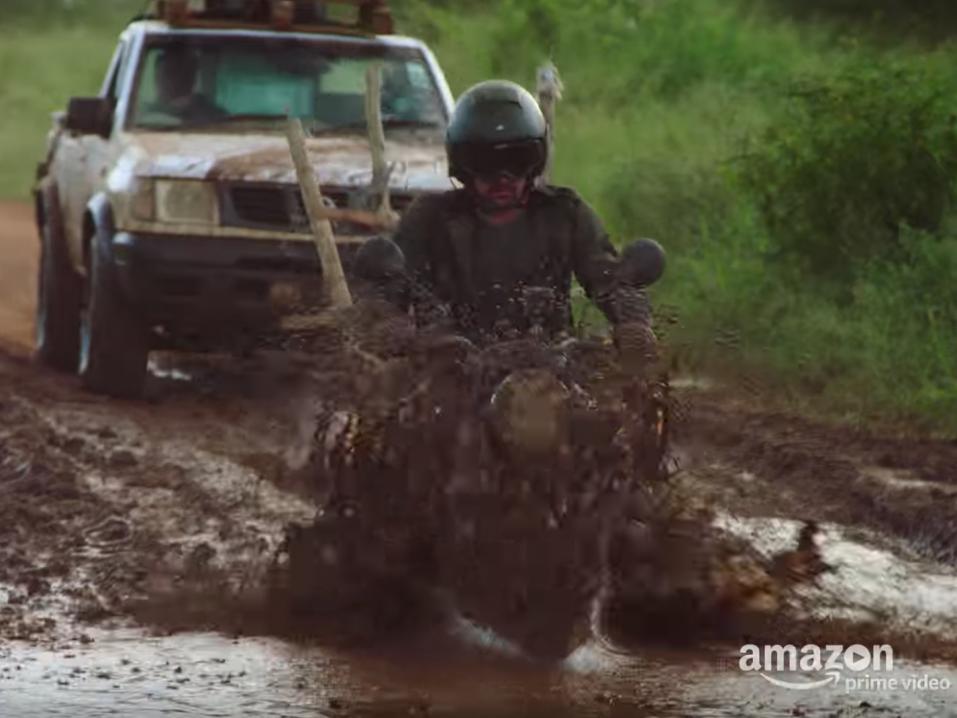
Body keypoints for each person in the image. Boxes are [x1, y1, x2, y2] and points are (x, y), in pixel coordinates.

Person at [388, 80, 661, 347]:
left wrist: (631, 322)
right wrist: (384, 324)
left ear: (535, 162)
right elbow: (391, 287)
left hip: (551, 369)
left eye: (517, 162)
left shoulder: (564, 214)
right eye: (485, 164)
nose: (502, 178)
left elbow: (607, 278)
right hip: (446, 369)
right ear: (462, 166)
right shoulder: (429, 218)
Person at [145, 47, 226, 124]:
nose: (161, 81)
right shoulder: (146, 114)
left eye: (169, 74)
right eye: (158, 76)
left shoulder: (214, 118)